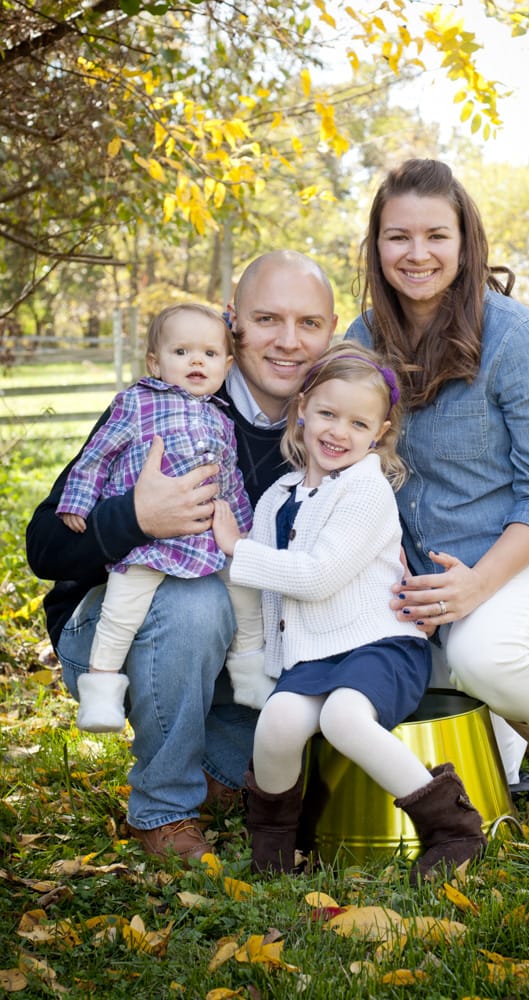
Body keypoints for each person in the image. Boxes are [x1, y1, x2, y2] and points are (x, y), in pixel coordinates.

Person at [25, 250, 338, 866]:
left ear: (331, 331)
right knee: (196, 601)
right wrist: (136, 517)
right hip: (116, 629)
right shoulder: (162, 402)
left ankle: (219, 767)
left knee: (326, 725)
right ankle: (164, 808)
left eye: (309, 323)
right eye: (267, 319)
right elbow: (45, 546)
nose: (288, 341)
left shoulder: (333, 421)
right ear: (233, 324)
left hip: (247, 646)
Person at [346, 158, 529, 826]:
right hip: (427, 573)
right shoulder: (362, 341)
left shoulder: (519, 340)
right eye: (397, 236)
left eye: (436, 235)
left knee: (481, 653)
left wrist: (475, 590)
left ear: (465, 242)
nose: (417, 253)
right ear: (375, 246)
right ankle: (528, 658)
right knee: (420, 714)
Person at [213, 343, 487, 881]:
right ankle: (276, 849)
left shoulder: (366, 490)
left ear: (379, 434)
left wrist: (236, 550)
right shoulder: (277, 497)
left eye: (358, 423)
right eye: (327, 414)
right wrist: (253, 658)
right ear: (302, 410)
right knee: (277, 723)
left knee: (342, 717)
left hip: (379, 645)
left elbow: (316, 577)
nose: (339, 432)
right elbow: (256, 591)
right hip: (310, 655)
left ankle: (453, 830)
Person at [55, 302, 273, 733]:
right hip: (148, 544)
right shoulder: (135, 403)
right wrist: (78, 503)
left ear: (226, 366)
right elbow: (97, 457)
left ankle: (250, 674)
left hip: (207, 541)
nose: (196, 361)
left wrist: (242, 534)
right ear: (155, 362)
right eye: (182, 352)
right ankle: (100, 692)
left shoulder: (220, 419)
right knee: (123, 607)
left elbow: (228, 484)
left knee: (246, 595)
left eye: (209, 354)